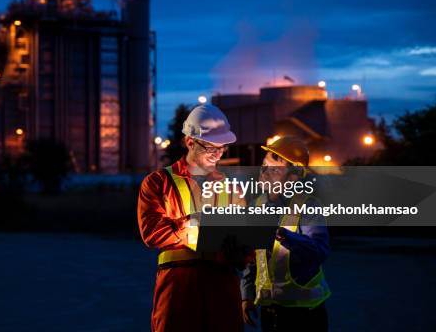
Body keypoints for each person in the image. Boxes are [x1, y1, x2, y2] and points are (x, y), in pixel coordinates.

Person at [138, 104, 248, 332]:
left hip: (223, 284)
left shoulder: (233, 189)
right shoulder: (159, 183)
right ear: (190, 142)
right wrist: (195, 225)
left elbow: (245, 242)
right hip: (179, 286)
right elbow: (151, 232)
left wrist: (244, 249)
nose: (217, 154)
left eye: (222, 148)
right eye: (210, 147)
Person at [241, 136, 331, 332]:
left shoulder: (307, 206)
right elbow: (253, 259)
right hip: (270, 312)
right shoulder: (256, 205)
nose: (264, 172)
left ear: (293, 178)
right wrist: (247, 295)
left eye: (273, 169)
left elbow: (320, 251)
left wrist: (286, 236)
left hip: (305, 316)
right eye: (264, 165)